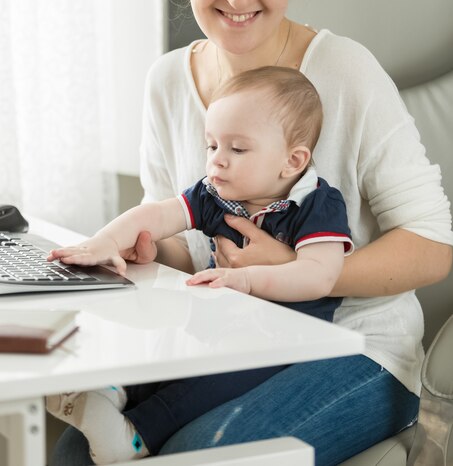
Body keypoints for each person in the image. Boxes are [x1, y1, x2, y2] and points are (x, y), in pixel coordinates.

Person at [49, 0, 452, 466]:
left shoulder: (345, 71)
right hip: (231, 335)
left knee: (192, 456)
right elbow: (190, 240)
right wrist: (148, 247)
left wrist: (296, 269)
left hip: (358, 347)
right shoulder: (166, 81)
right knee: (76, 453)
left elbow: (432, 245)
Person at [46, 66, 353, 464]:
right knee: (168, 343)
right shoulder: (215, 194)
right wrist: (103, 242)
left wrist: (244, 279)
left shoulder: (317, 204)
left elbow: (319, 275)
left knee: (211, 384)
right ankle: (111, 391)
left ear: (292, 160)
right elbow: (156, 215)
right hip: (219, 320)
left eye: (237, 149)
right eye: (212, 146)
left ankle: (135, 436)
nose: (217, 162)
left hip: (283, 342)